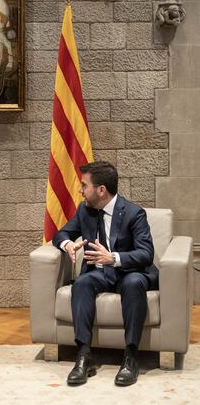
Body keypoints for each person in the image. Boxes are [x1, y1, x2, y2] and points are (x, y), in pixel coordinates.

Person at [52, 161, 158, 387]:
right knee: (81, 283)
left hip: (129, 272)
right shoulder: (85, 210)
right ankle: (84, 355)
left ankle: (130, 357)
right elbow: (60, 234)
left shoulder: (134, 213)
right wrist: (68, 244)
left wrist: (114, 258)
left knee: (133, 283)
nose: (80, 190)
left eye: (84, 185)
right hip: (100, 274)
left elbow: (146, 254)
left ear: (101, 190)